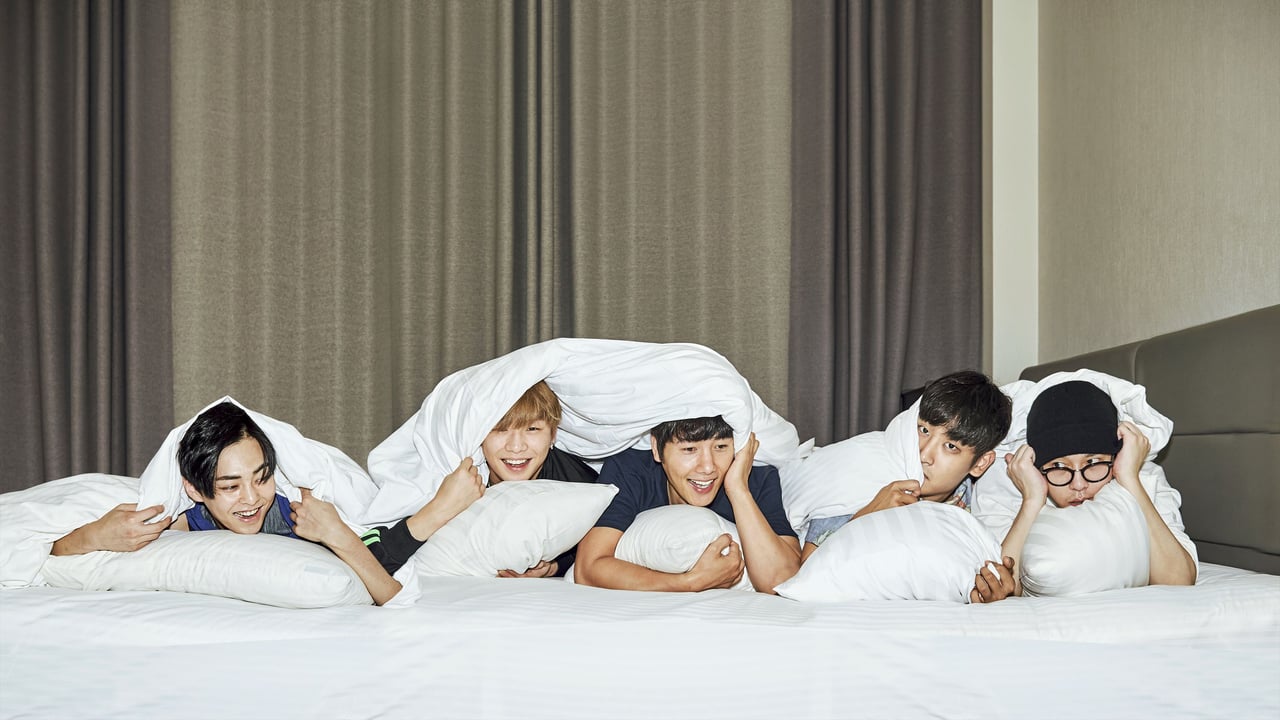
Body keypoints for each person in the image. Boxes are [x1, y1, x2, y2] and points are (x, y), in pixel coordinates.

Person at [292, 381, 597, 601]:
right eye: (499, 429)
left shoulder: (577, 483)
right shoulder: (447, 472)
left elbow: (601, 545)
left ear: (553, 434)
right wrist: (440, 508)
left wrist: (556, 566)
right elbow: (367, 563)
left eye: (532, 429)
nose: (516, 447)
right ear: (477, 435)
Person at [794, 371, 1016, 603]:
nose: (924, 455)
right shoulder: (867, 474)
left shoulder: (969, 499)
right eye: (924, 430)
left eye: (950, 446)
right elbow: (807, 571)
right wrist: (868, 512)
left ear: (980, 464)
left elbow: (1003, 573)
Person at [991, 380, 1196, 597]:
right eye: (1058, 467)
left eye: (1093, 463)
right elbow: (1005, 589)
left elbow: (1178, 580)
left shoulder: (1144, 478)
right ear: (1037, 468)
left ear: (1115, 458)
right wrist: (1032, 501)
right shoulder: (1016, 485)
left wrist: (1129, 479)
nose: (1079, 485)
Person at [574, 416, 800, 594]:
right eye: (689, 449)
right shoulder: (631, 469)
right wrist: (691, 582)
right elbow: (587, 569)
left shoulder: (756, 476)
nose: (708, 467)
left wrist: (738, 489)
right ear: (657, 449)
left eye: (721, 447)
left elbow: (781, 582)